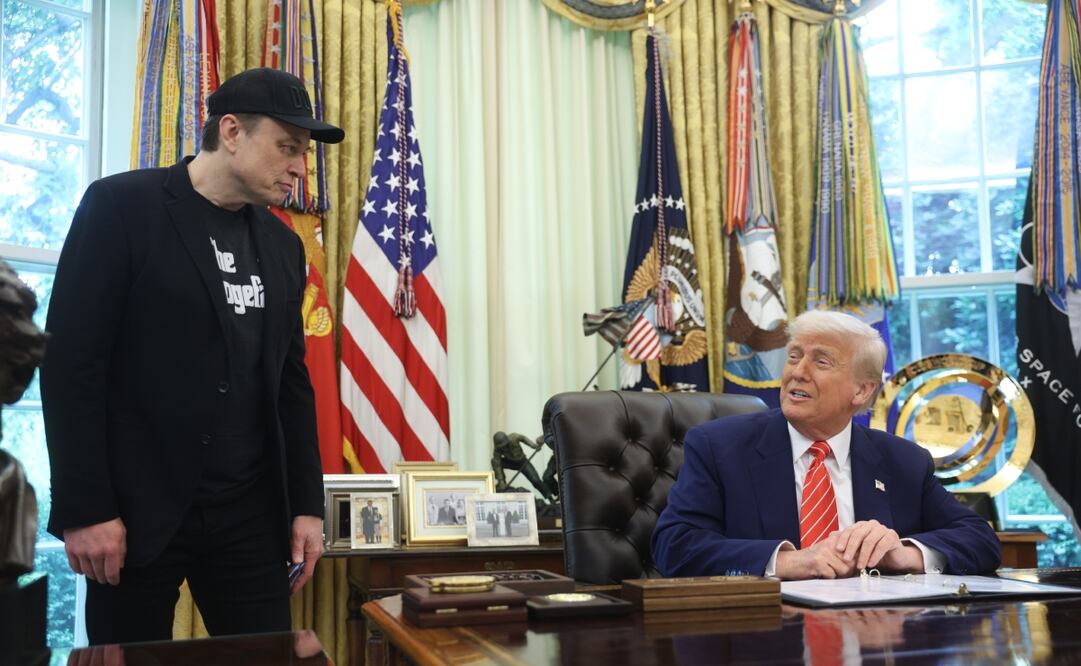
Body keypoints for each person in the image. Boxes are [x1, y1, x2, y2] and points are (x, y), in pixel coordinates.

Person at [40, 67, 345, 644]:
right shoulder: (120, 208)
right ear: (231, 131)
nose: (300, 168)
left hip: (250, 517)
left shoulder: (284, 245)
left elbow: (290, 382)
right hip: (132, 514)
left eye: (303, 153)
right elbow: (71, 366)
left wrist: (307, 506)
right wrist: (85, 507)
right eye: (287, 148)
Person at [652, 310, 1001, 580]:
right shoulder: (719, 447)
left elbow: (979, 539)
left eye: (821, 361)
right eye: (793, 356)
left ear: (862, 391)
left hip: (874, 639)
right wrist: (789, 561)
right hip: (765, 639)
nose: (798, 372)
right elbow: (675, 547)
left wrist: (904, 554)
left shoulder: (903, 461)